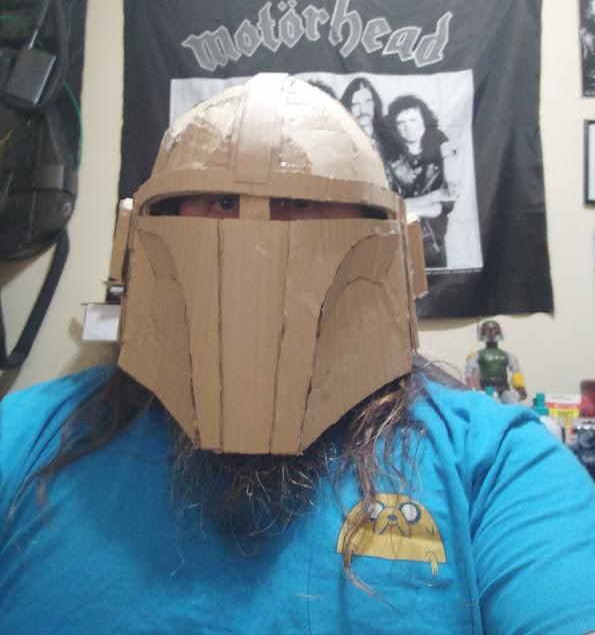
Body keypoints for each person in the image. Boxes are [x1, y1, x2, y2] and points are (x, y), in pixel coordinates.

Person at [1, 74, 594, 635]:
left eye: (299, 202)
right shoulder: (23, 438)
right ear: (142, 236)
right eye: (220, 202)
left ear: (392, 245)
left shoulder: (497, 467)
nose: (254, 238)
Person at [379, 94, 459, 268]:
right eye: (401, 123)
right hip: (397, 244)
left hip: (434, 244)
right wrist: (435, 196)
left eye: (413, 120)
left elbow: (445, 204)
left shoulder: (439, 150)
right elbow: (391, 205)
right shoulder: (390, 159)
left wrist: (410, 207)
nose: (408, 127)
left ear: (424, 120)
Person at [464, 319, 527, 403]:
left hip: (504, 388)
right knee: (491, 403)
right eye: (487, 330)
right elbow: (469, 373)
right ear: (483, 332)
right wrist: (473, 390)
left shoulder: (507, 355)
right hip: (487, 389)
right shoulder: (477, 355)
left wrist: (521, 388)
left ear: (498, 332)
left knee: (513, 403)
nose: (491, 333)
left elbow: (516, 373)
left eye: (494, 330)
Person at [340, 76, 384, 141]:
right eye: (355, 104)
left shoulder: (387, 139)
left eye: (368, 101)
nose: (363, 110)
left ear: (375, 103)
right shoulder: (342, 139)